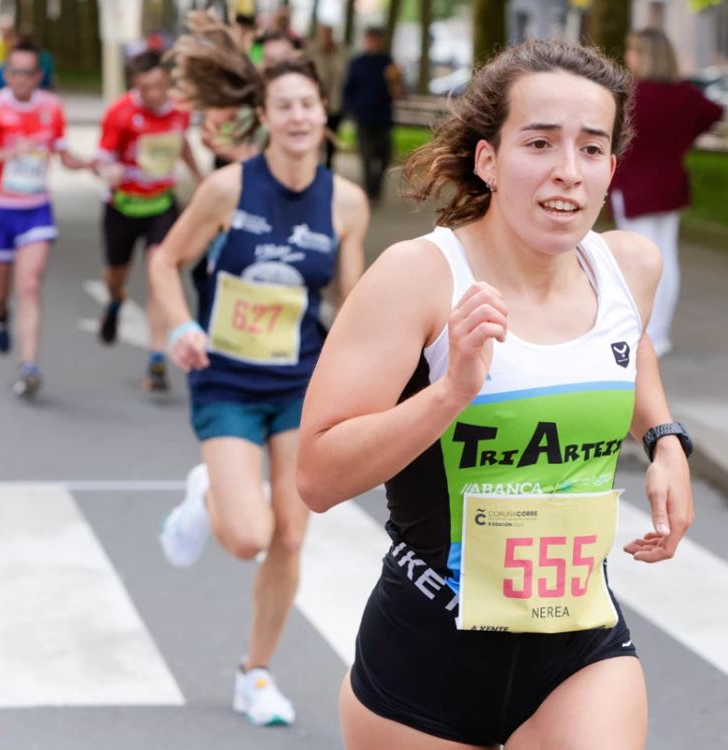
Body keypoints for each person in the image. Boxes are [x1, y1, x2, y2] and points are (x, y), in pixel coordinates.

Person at [297, 39, 695, 750]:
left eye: (592, 149)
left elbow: (627, 348)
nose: (568, 172)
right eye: (539, 143)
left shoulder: (627, 265)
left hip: (578, 640)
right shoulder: (418, 278)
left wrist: (664, 438)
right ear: (488, 158)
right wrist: (450, 392)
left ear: (611, 167)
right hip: (426, 663)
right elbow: (318, 476)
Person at [152, 12, 369, 727]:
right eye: (284, 106)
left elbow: (354, 301)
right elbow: (166, 260)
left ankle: (256, 674)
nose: (299, 116)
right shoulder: (227, 188)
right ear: (264, 117)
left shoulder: (345, 202)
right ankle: (208, 490)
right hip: (226, 378)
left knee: (291, 534)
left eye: (308, 104)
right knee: (247, 535)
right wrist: (180, 323)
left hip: (301, 380)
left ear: (322, 112)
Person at [0, 39, 92, 397]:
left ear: (39, 76)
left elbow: (63, 154)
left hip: (35, 209)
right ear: (6, 74)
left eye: (29, 72)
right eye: (15, 72)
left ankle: (28, 365)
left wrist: (94, 165)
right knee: (0, 290)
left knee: (30, 285)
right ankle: (0, 316)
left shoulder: (52, 107)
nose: (21, 79)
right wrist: (10, 152)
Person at [609, 28, 724, 359]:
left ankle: (640, 332)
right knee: (666, 259)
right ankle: (659, 334)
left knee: (636, 262)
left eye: (632, 50)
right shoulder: (684, 94)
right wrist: (683, 137)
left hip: (633, 187)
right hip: (669, 185)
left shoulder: (631, 95)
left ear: (641, 54)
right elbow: (714, 113)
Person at [94, 50, 202, 392]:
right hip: (123, 206)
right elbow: (103, 156)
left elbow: (181, 142)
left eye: (160, 85)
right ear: (135, 86)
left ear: (168, 81)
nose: (155, 94)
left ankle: (156, 357)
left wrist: (201, 178)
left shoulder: (180, 109)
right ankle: (114, 300)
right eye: (146, 88)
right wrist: (107, 170)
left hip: (161, 205)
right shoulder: (120, 113)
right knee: (116, 275)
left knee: (160, 273)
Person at [202, 30, 296, 171]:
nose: (282, 66)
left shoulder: (300, 96)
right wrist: (235, 153)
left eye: (287, 59)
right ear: (260, 60)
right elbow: (207, 133)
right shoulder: (241, 92)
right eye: (272, 59)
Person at [343, 26, 403, 202]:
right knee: (367, 155)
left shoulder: (388, 63)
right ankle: (371, 191)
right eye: (371, 39)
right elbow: (348, 90)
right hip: (363, 117)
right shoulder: (357, 63)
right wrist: (353, 110)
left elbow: (398, 89)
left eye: (377, 39)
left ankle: (376, 184)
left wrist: (396, 86)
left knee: (385, 155)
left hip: (383, 117)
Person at [307, 24, 348, 169]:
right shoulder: (312, 53)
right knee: (314, 139)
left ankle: (328, 168)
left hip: (335, 105)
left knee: (332, 141)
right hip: (315, 104)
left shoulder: (341, 53)